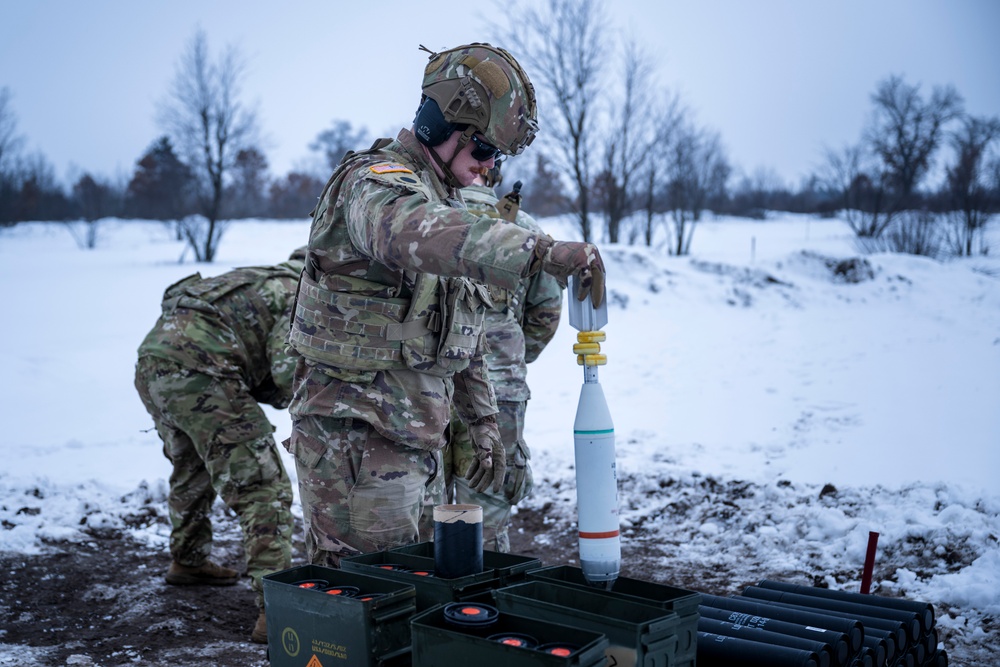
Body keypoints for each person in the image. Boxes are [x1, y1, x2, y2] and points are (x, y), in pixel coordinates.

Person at [285, 42, 604, 569]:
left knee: (417, 597)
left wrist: (480, 420)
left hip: (416, 441)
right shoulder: (375, 185)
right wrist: (540, 252)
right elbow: (406, 232)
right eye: (482, 150)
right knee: (370, 599)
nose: (489, 167)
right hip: (355, 439)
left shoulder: (443, 204)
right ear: (446, 130)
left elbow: (461, 328)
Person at [134, 247, 305, 644]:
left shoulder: (260, 277)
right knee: (264, 486)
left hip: (152, 365)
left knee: (192, 467)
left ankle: (188, 559)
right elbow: (285, 370)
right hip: (203, 370)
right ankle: (274, 611)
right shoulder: (299, 293)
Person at [424, 165, 563, 552]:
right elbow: (546, 314)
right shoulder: (525, 230)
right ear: (493, 173)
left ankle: (423, 603)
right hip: (498, 393)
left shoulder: (426, 220)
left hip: (423, 386)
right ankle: (479, 605)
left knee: (419, 516)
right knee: (484, 517)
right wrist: (511, 358)